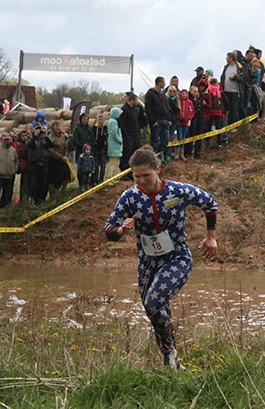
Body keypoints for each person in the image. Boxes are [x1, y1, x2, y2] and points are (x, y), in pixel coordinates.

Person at [103, 146, 219, 370]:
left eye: (146, 175)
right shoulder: (130, 197)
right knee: (154, 310)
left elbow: (210, 203)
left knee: (154, 303)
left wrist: (211, 238)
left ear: (158, 169)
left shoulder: (177, 191)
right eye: (136, 176)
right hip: (147, 262)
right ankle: (173, 362)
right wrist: (120, 230)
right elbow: (108, 229)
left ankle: (169, 355)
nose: (141, 181)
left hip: (177, 257)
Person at [0, 132, 19, 209]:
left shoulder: (13, 150)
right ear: (1, 140)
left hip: (9, 175)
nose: (6, 141)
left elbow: (16, 161)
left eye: (8, 139)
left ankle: (4, 208)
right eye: (5, 139)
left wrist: (14, 170)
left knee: (7, 193)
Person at [25, 124, 53, 204]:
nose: (38, 130)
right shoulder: (30, 137)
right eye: (36, 128)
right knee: (33, 184)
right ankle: (33, 200)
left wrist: (46, 137)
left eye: (39, 129)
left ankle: (41, 200)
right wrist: (34, 136)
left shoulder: (44, 138)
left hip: (44, 164)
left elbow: (51, 145)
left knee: (43, 183)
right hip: (34, 164)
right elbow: (28, 145)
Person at [145, 76, 171, 156]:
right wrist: (153, 121)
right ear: (159, 83)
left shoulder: (162, 94)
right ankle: (154, 157)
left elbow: (166, 106)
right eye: (163, 82)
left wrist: (168, 119)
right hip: (156, 121)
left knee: (166, 140)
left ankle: (159, 154)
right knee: (155, 141)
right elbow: (148, 109)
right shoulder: (150, 94)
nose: (165, 84)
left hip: (164, 120)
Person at [47, 121, 71, 196]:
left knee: (67, 175)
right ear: (52, 127)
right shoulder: (50, 137)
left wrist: (66, 155)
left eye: (59, 126)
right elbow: (50, 150)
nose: (58, 127)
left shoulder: (63, 136)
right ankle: (52, 196)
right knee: (52, 180)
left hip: (62, 160)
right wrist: (60, 157)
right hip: (53, 161)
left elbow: (66, 147)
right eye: (56, 126)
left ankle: (61, 193)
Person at [175, 89, 194, 160]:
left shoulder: (189, 102)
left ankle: (181, 154)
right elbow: (176, 111)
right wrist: (179, 117)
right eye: (183, 93)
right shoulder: (178, 102)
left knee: (183, 138)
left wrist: (188, 118)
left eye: (185, 94)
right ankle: (177, 153)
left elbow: (192, 111)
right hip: (179, 122)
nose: (184, 95)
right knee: (179, 137)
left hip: (186, 122)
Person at [92, 113, 108, 184]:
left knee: (103, 166)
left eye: (102, 119)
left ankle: (101, 180)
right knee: (96, 165)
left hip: (103, 149)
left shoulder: (105, 128)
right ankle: (95, 180)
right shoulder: (94, 128)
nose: (100, 121)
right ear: (97, 120)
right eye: (99, 119)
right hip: (96, 149)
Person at [107, 107, 124, 176]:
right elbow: (114, 133)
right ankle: (109, 177)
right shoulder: (113, 122)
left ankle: (111, 177)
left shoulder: (112, 121)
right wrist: (119, 140)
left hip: (114, 144)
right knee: (112, 162)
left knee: (114, 162)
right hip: (114, 144)